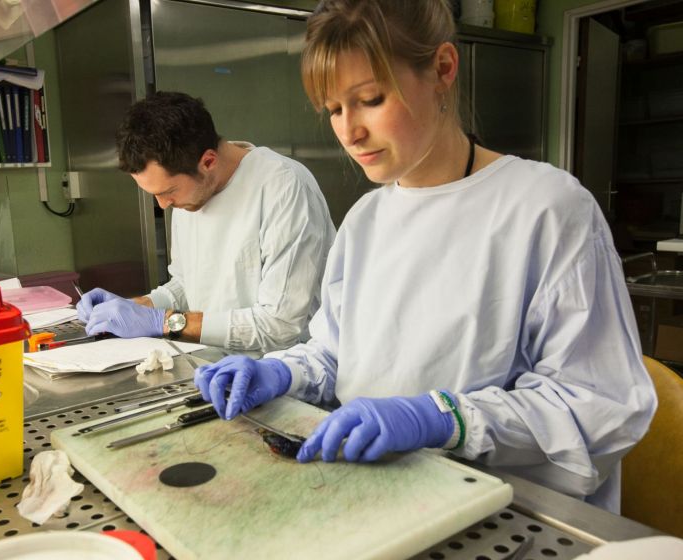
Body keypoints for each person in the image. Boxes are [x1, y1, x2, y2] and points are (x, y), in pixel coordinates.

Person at [194, 0, 657, 514]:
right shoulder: (366, 220)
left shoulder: (546, 209)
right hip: (375, 497)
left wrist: (445, 418)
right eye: (334, 110)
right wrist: (281, 372)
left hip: (500, 512)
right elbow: (337, 355)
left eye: (369, 99)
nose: (350, 131)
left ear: (441, 69)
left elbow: (597, 404)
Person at [77, 92, 336, 354]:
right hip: (211, 367)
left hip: (286, 375)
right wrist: (138, 306)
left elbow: (279, 326)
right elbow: (187, 286)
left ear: (208, 161)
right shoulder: (190, 194)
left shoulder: (283, 186)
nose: (163, 204)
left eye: (167, 191)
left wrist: (164, 322)